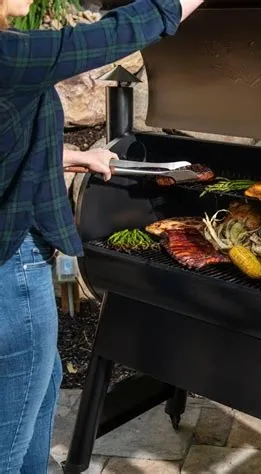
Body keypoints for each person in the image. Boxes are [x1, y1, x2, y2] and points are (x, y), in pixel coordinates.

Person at [0, 0, 203, 471]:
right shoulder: (11, 59)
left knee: (43, 386)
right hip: (12, 272)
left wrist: (73, 157)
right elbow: (110, 35)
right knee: (9, 435)